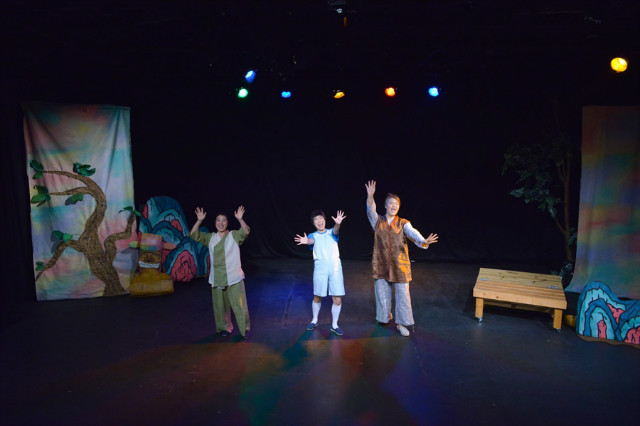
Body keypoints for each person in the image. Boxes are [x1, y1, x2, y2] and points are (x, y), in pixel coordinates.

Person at [365, 180, 439, 337]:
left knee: (403, 296)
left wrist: (423, 240)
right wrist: (370, 196)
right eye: (390, 203)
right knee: (382, 293)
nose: (393, 206)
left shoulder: (403, 222)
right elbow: (370, 210)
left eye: (396, 204)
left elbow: (412, 232)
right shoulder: (378, 221)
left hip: (400, 265)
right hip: (381, 264)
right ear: (385, 205)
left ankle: (401, 323)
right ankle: (384, 317)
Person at [190, 205, 251, 339]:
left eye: (223, 220)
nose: (221, 223)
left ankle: (244, 329)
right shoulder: (210, 237)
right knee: (220, 307)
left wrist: (240, 219)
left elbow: (245, 232)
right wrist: (199, 221)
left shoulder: (233, 235)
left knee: (239, 305)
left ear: (227, 223)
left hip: (233, 276)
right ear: (215, 223)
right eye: (218, 220)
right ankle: (224, 328)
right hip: (217, 277)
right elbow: (194, 234)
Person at [294, 210, 347, 336]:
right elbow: (311, 241)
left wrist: (338, 223)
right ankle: (314, 320)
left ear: (324, 220)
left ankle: (334, 325)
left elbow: (336, 230)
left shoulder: (331, 232)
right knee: (317, 296)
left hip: (335, 268)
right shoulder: (313, 235)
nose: (319, 221)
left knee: (337, 298)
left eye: (320, 218)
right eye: (316, 219)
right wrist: (307, 241)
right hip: (320, 268)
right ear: (313, 223)